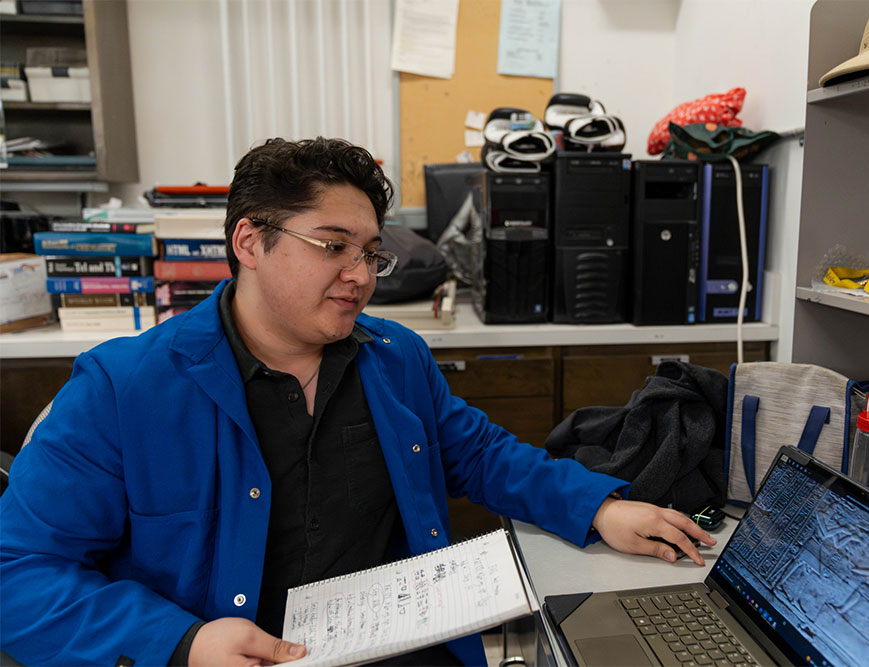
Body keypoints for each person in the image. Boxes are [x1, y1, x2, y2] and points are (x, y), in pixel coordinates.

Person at [0, 138, 715, 666]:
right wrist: (181, 642)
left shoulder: (392, 357)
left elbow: (480, 452)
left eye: (371, 252)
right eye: (333, 246)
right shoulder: (123, 387)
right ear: (249, 241)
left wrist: (598, 505)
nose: (359, 276)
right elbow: (20, 576)